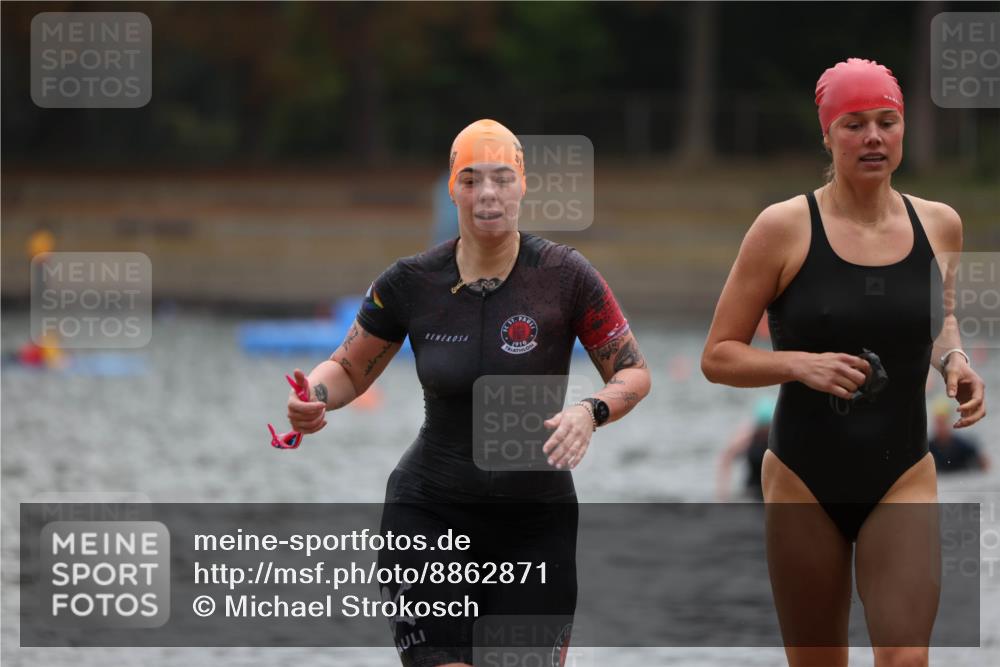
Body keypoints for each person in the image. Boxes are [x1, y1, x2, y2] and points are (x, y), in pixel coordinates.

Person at [284, 119, 651, 667]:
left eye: (502, 179)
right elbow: (349, 369)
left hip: (534, 524)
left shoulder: (565, 277)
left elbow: (634, 373)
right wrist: (313, 395)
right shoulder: (410, 283)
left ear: (523, 185)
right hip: (429, 513)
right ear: (453, 188)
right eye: (472, 179)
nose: (487, 195)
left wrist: (588, 411)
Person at [701, 59, 986, 667]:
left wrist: (955, 360)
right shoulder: (783, 227)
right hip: (804, 475)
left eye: (888, 121)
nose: (874, 137)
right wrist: (799, 365)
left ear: (904, 129)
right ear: (828, 135)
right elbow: (718, 356)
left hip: (903, 470)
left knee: (907, 659)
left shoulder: (940, 224)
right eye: (855, 124)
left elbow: (940, 321)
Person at [716, 396, 775, 501]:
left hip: (772, 490)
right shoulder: (748, 435)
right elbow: (727, 457)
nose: (764, 432)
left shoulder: (777, 437)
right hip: (751, 489)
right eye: (762, 428)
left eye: (767, 429)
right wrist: (723, 493)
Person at [929, 395, 989, 473]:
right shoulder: (928, 449)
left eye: (943, 423)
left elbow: (984, 465)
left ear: (950, 423)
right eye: (938, 423)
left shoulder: (963, 446)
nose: (940, 427)